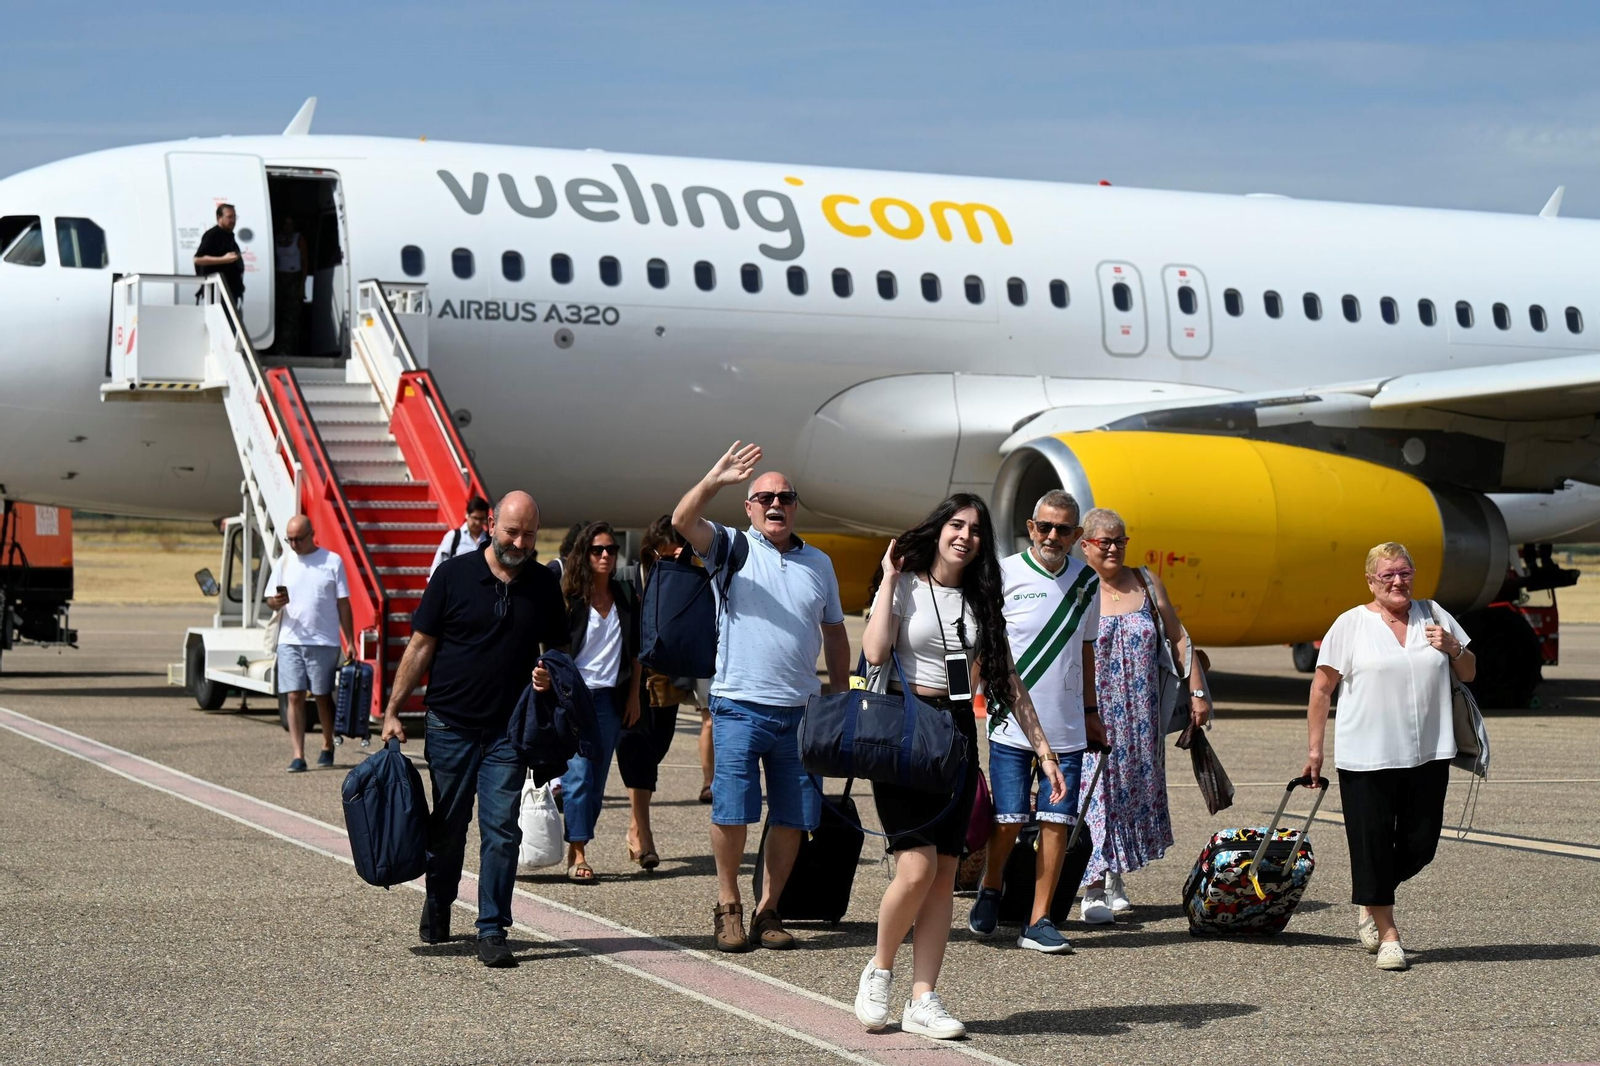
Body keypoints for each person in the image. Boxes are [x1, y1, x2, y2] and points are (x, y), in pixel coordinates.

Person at [856, 493, 1067, 1039]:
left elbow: (1007, 680)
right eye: (956, 524)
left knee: (946, 875)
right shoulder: (904, 584)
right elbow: (876, 653)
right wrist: (886, 577)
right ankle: (879, 972)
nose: (965, 536)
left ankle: (923, 997)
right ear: (939, 529)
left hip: (954, 736)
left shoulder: (980, 600)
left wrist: (1044, 751)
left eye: (975, 530)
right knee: (916, 868)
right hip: (904, 730)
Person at [672, 441, 852, 954]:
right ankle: (728, 905)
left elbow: (836, 631)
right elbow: (684, 520)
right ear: (749, 507)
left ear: (795, 506)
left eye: (786, 497)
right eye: (765, 496)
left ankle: (768, 909)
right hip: (738, 704)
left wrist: (838, 697)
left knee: (794, 816)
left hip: (801, 710)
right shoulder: (731, 546)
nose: (776, 504)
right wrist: (715, 478)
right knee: (732, 812)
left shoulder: (818, 562)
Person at [381, 491, 568, 968]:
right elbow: (421, 646)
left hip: (509, 729)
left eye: (528, 534)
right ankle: (440, 899)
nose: (520, 542)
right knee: (448, 827)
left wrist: (549, 674)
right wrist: (392, 709)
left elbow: (558, 652)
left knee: (502, 830)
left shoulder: (544, 586)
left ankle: (492, 928)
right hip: (450, 724)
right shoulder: (453, 576)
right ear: (490, 525)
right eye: (511, 532)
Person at [1303, 542, 1474, 972]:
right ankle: (1389, 934)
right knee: (1373, 843)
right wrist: (1315, 749)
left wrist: (1453, 647)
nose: (1398, 582)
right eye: (1387, 575)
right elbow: (1322, 689)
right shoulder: (1351, 624)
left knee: (1421, 845)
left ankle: (1370, 895)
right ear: (1371, 581)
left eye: (1404, 573)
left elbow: (1469, 671)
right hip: (1367, 756)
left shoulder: (1433, 615)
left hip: (1429, 752)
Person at [967, 489, 1107, 953]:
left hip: (1066, 723)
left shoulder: (1087, 583)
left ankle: (1040, 918)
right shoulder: (1004, 573)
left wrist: (1091, 713)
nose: (1052, 536)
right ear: (1031, 527)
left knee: (1056, 822)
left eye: (1063, 529)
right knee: (1008, 819)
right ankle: (991, 885)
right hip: (1012, 722)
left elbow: (1086, 650)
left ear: (1077, 535)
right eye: (1044, 526)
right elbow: (983, 646)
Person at [1076, 507, 1210, 922]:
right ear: (1085, 545)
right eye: (1104, 541)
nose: (1114, 548)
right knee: (1094, 794)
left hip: (1141, 716)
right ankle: (1092, 888)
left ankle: (1115, 875)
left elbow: (1179, 636)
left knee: (1129, 794)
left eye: (1120, 540)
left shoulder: (1147, 582)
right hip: (1091, 711)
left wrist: (1198, 691)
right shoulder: (1076, 586)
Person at [556, 521, 642, 883]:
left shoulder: (625, 596)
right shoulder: (571, 597)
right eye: (597, 550)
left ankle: (579, 836)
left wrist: (635, 695)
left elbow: (636, 651)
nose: (605, 555)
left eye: (610, 549)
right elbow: (556, 649)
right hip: (575, 697)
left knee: (596, 780)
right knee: (577, 777)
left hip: (610, 699)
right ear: (584, 555)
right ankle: (578, 852)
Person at [616, 515, 693, 869]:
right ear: (651, 552)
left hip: (667, 681)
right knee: (637, 751)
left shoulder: (685, 579)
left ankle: (636, 824)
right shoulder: (629, 580)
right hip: (631, 680)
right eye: (667, 555)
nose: (674, 561)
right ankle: (642, 833)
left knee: (658, 748)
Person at [264, 515, 354, 773]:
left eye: (298, 539)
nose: (293, 544)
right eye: (289, 539)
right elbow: (270, 599)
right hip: (290, 640)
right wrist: (275, 602)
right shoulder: (285, 560)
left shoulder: (331, 561)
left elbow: (343, 604)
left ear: (311, 534)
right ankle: (298, 754)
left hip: (323, 641)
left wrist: (349, 639)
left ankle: (327, 745)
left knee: (323, 697)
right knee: (294, 696)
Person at [193, 203, 245, 308]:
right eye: (229, 217)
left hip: (231, 291)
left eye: (235, 217)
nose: (233, 220)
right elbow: (198, 259)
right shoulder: (213, 235)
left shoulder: (229, 235)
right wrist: (223, 259)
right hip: (217, 292)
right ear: (219, 217)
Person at [273, 214, 308, 353]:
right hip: (280, 278)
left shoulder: (299, 239)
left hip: (294, 278)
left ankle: (289, 349)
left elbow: (305, 262)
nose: (288, 227)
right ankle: (278, 347)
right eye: (285, 224)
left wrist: (302, 286)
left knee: (291, 315)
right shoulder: (277, 239)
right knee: (280, 313)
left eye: (290, 224)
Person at [430, 496, 491, 577]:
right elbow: (437, 564)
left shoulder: (489, 539)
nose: (477, 523)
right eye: (475, 518)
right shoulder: (454, 536)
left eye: (481, 519)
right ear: (466, 514)